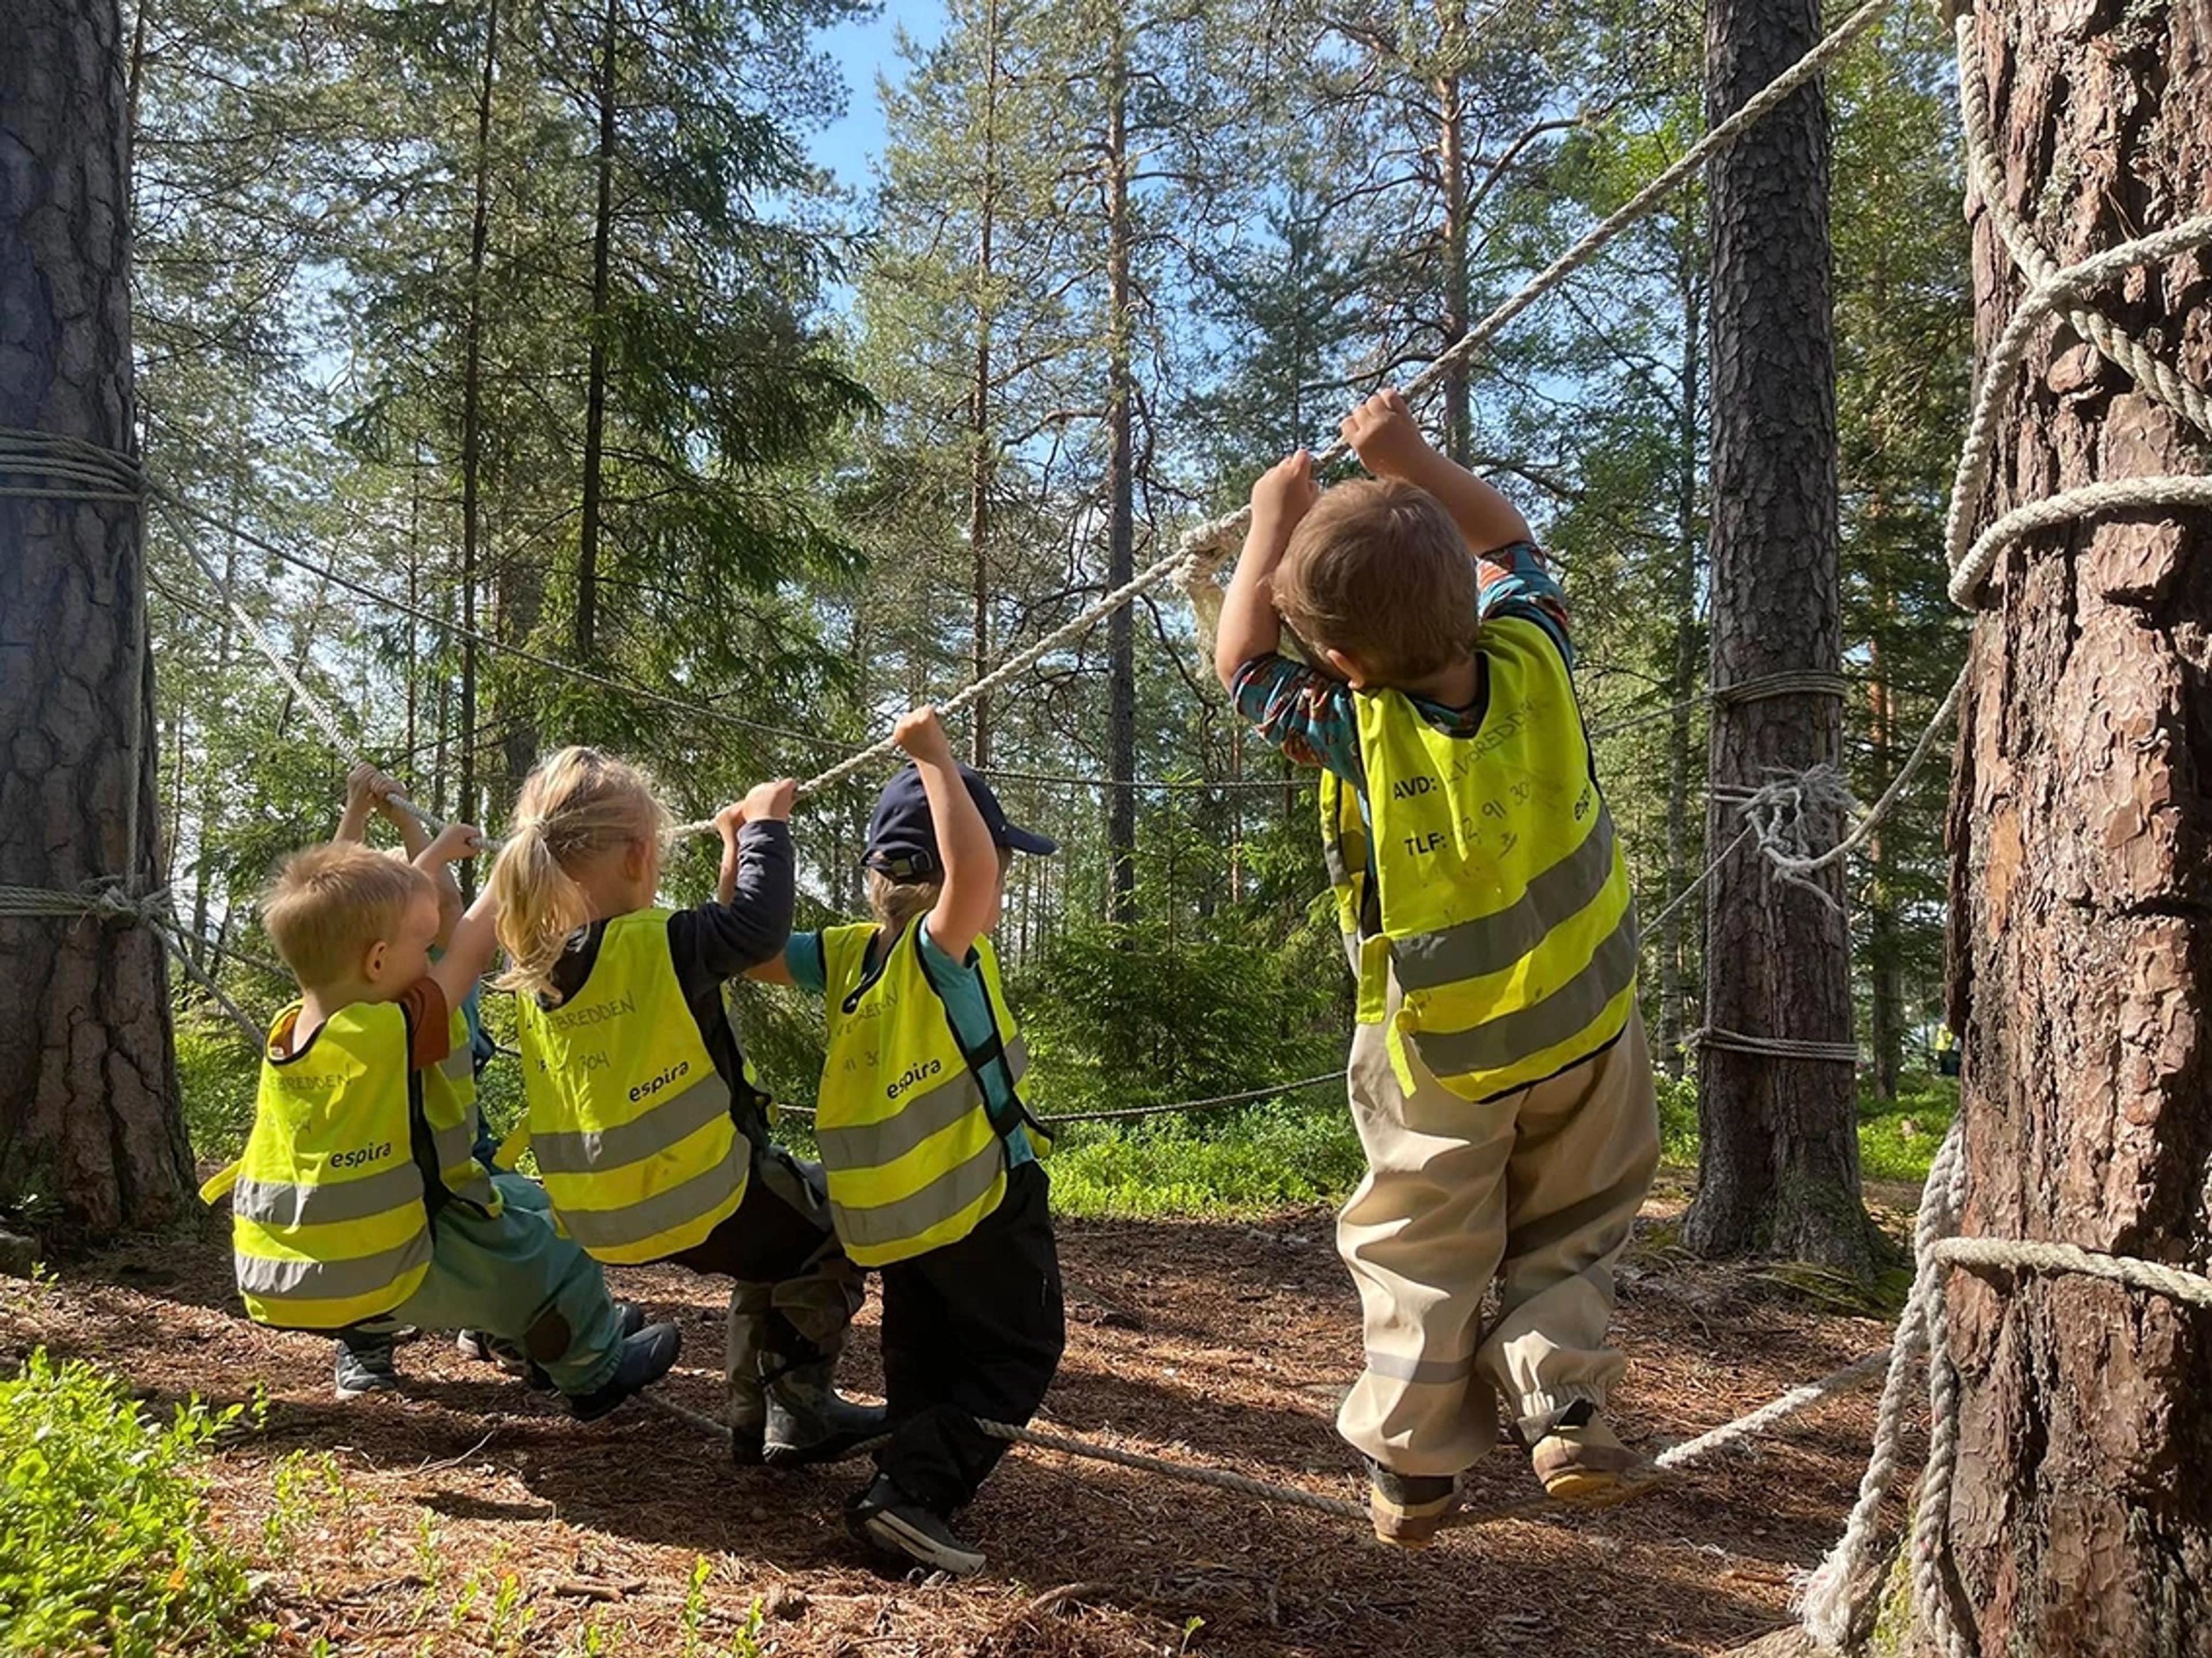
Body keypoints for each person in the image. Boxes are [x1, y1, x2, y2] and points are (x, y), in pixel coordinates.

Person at [1213, 387, 1662, 1548]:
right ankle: (1564, 1408)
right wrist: (1405, 458)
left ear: (1344, 657)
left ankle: (1414, 1464)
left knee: (1419, 1239)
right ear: (1465, 594)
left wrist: (1274, 515)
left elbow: (1239, 660)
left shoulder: (1353, 726)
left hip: (1439, 1053)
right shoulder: (1537, 647)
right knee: (1575, 1224)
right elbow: (1510, 538)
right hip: (1589, 1022)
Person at [487, 748, 882, 1467]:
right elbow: (756, 933)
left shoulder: (541, 966)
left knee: (777, 1251)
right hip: (700, 1191)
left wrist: (732, 848)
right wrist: (767, 826)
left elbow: (728, 937)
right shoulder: (653, 941)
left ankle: (750, 1416)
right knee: (839, 1224)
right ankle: (798, 1409)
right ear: (641, 856)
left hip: (606, 1214)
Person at [213, 832, 681, 1421]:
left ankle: (536, 1337)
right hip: (391, 1267)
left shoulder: (299, 1031)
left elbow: (389, 925)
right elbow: (468, 953)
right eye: (420, 945)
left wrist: (425, 864)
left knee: (521, 1198)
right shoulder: (390, 1032)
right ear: (379, 961)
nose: (430, 954)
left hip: (293, 1269)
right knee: (565, 1240)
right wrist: (512, 869)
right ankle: (595, 1370)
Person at [751, 707, 1065, 1577]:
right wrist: (938, 761)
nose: (999, 879)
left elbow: (751, 946)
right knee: (1020, 1353)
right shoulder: (942, 948)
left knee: (923, 1352)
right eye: (998, 857)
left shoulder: (850, 953)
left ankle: (908, 1477)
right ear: (963, 867)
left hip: (893, 1219)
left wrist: (750, 837)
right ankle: (912, 1493)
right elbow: (968, 873)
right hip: (983, 1202)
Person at [327, 765, 529, 1399]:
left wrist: (411, 825)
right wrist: (357, 814)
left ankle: (492, 1325)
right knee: (374, 1233)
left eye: (447, 903)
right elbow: (336, 902)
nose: (443, 910)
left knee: (500, 1220)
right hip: (382, 1144)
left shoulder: (450, 965)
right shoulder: (367, 974)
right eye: (425, 903)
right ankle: (365, 1347)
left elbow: (438, 895)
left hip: (459, 1140)